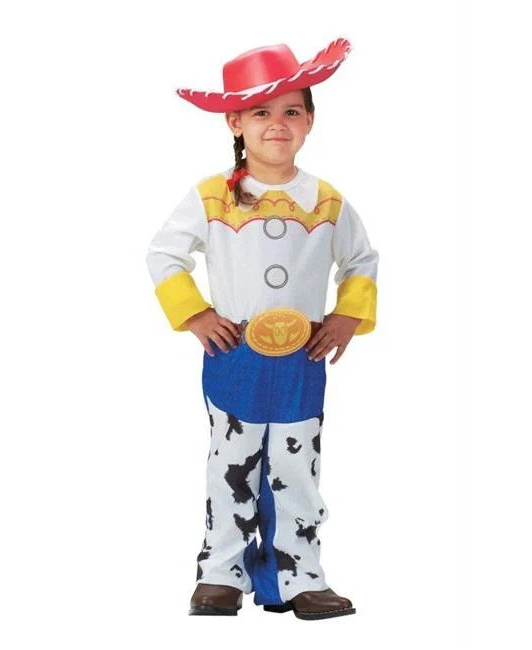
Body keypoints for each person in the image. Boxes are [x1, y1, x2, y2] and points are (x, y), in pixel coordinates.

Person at [145, 37, 379, 620]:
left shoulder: (326, 201)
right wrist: (196, 314)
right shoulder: (212, 196)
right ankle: (220, 573)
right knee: (233, 462)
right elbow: (164, 254)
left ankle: (298, 576)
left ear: (310, 121)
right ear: (235, 122)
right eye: (261, 112)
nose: (278, 123)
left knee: (298, 466)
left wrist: (347, 316)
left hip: (303, 358)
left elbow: (361, 261)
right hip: (235, 356)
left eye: (292, 111)